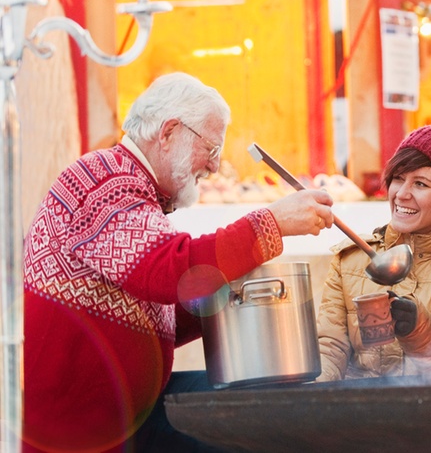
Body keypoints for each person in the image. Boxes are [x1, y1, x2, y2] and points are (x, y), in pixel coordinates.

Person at [22, 72, 335, 452]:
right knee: (260, 427)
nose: (215, 167)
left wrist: (233, 290)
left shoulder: (132, 187)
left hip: (130, 412)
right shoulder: (103, 180)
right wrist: (270, 224)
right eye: (212, 149)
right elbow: (169, 273)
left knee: (262, 413)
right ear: (168, 132)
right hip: (83, 430)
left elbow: (164, 302)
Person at [317, 125, 431, 381]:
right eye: (398, 178)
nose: (401, 194)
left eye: (420, 184)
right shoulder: (350, 260)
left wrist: (419, 331)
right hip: (360, 411)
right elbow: (329, 347)